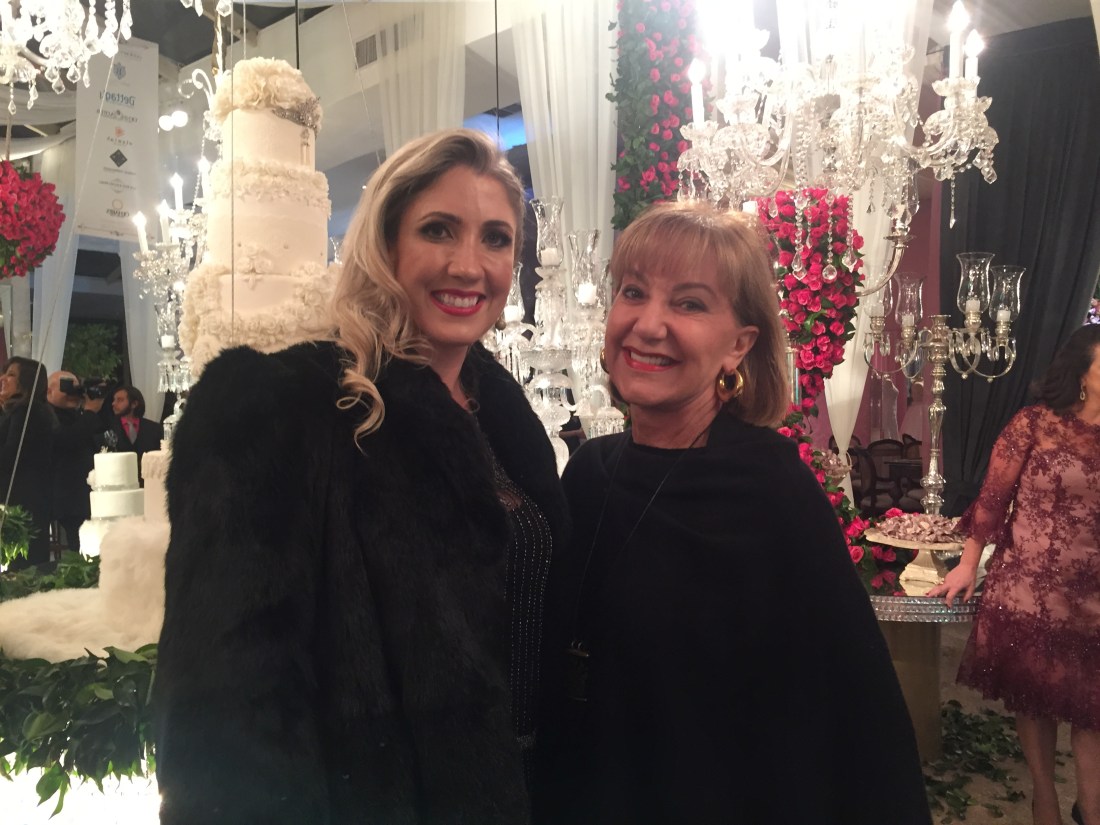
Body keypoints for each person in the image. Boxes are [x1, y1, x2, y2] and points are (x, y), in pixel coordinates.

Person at [155, 128, 567, 824]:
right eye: (439, 229)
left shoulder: (504, 414)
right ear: (385, 243)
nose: (470, 265)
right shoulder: (280, 406)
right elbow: (222, 714)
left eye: (496, 238)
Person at [535, 202, 930, 825]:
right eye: (633, 292)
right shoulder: (589, 473)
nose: (648, 324)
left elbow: (856, 708)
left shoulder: (770, 488)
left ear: (739, 345)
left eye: (689, 303)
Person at [929, 324, 1100, 825]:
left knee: (1092, 706)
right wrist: (967, 564)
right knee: (1037, 697)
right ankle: (1044, 798)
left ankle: (1092, 808)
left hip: (1094, 593)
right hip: (1031, 585)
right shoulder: (1034, 424)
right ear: (1083, 374)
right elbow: (992, 499)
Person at [0, 357, 59, 569]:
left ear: (26, 381)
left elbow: (11, 456)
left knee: (23, 565)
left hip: (23, 503)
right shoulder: (18, 411)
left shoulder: (27, 412)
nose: (3, 378)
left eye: (11, 375)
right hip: (22, 499)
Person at [47, 370, 109, 552]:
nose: (73, 393)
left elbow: (101, 432)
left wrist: (98, 401)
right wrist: (89, 412)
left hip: (88, 494)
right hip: (68, 497)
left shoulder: (77, 415)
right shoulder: (46, 414)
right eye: (67, 387)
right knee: (80, 548)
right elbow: (66, 440)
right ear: (49, 391)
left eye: (76, 388)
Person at [108, 385, 163, 466]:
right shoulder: (107, 427)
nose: (113, 403)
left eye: (120, 400)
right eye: (114, 400)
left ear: (134, 404)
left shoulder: (154, 429)